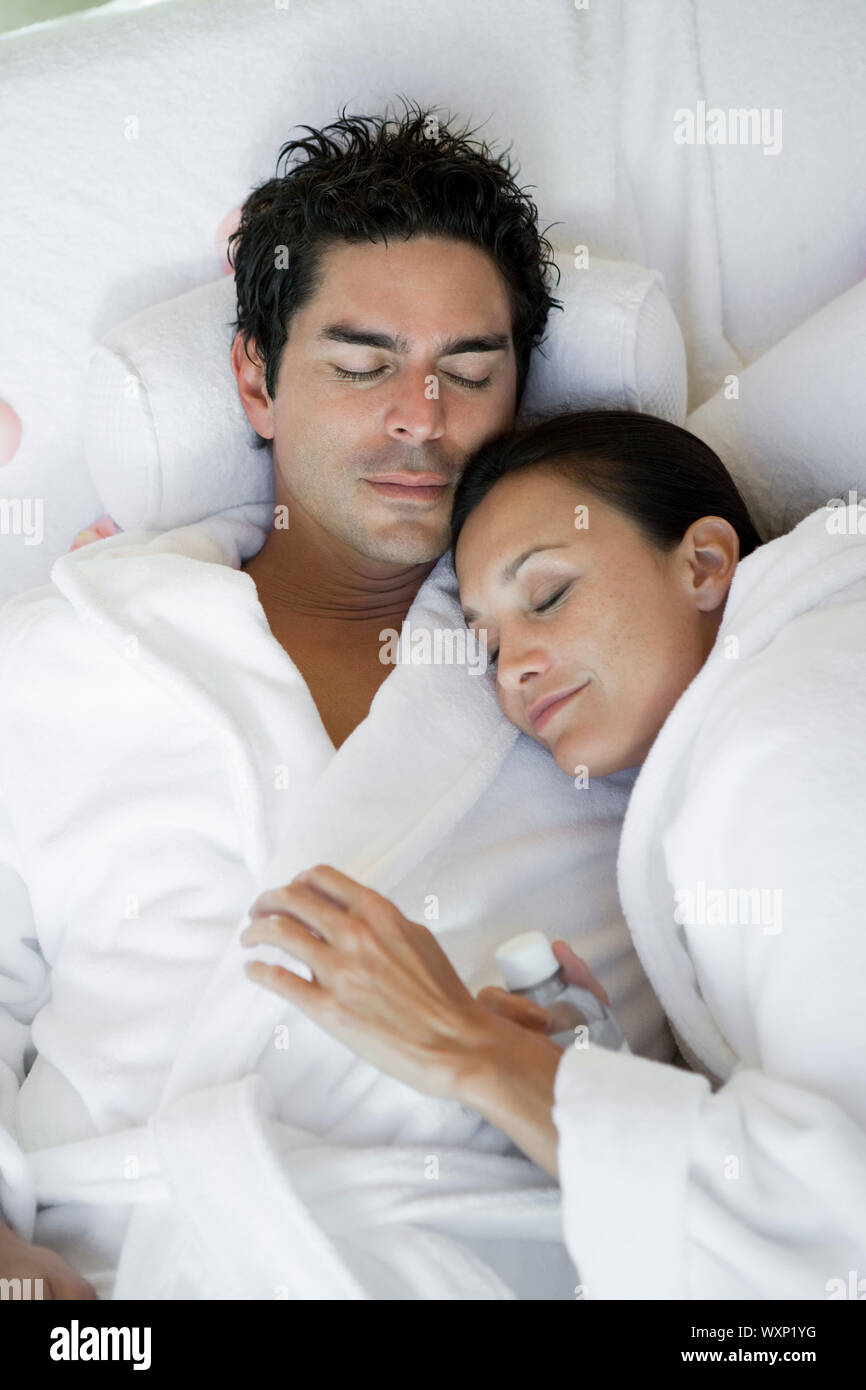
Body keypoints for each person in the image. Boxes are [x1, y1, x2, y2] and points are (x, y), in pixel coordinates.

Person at [0, 110, 674, 1300]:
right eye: (361, 366)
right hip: (105, 1274)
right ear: (256, 380)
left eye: (469, 372)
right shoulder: (63, 658)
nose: (420, 415)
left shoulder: (596, 666)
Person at [243, 410, 866, 1299]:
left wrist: (471, 1051)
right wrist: (587, 1075)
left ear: (704, 564)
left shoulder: (789, 730)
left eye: (547, 596)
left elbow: (838, 1234)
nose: (513, 668)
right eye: (486, 642)